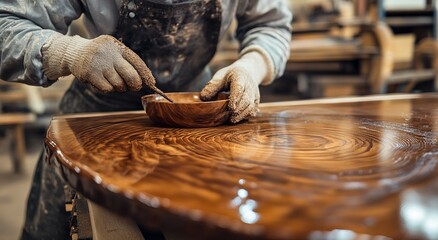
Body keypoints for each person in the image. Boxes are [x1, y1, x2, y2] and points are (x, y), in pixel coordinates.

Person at [0, 0, 292, 239]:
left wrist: (252, 65)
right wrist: (70, 53)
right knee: (57, 228)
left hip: (194, 108)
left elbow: (270, 24)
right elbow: (6, 23)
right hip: (97, 110)